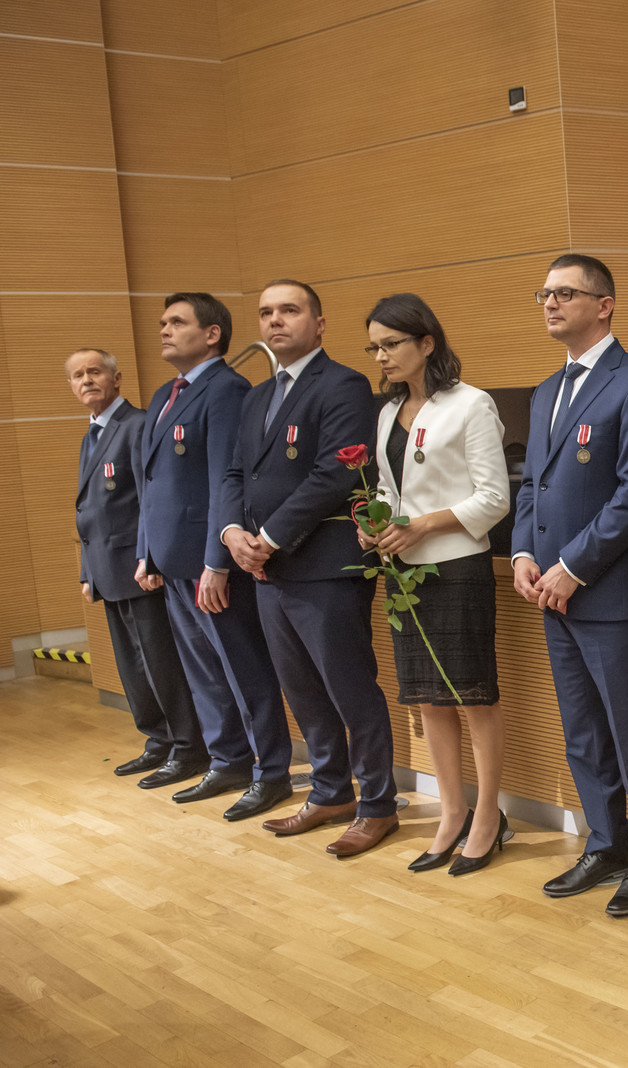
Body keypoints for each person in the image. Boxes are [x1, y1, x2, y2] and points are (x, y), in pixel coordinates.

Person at [511, 255, 628, 916]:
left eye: (565, 293)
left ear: (604, 305)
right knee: (582, 732)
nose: (550, 303)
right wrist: (524, 551)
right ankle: (605, 842)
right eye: (545, 294)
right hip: (550, 594)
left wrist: (574, 565)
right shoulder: (545, 391)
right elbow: (532, 483)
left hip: (608, 595)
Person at [219, 279, 399, 858]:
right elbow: (235, 475)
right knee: (302, 692)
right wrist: (232, 534)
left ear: (318, 324)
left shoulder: (343, 385)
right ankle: (330, 792)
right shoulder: (255, 397)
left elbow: (335, 474)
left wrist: (268, 538)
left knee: (350, 690)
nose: (275, 320)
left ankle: (378, 805)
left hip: (324, 566)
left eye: (289, 310)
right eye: (266, 312)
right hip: (267, 573)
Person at [362, 293, 511, 875]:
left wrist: (423, 524)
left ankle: (488, 816)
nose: (381, 356)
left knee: (472, 696)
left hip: (458, 567)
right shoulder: (387, 412)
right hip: (404, 571)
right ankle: (452, 813)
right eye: (374, 347)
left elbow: (494, 498)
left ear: (426, 343)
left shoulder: (471, 404)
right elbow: (387, 489)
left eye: (391, 344)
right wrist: (373, 522)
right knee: (427, 698)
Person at [136, 293, 293, 820]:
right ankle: (227, 760)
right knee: (204, 670)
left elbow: (226, 483)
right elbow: (151, 483)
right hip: (172, 560)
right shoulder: (165, 393)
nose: (164, 330)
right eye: (163, 322)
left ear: (211, 334)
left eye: (176, 322)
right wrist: (146, 551)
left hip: (211, 563)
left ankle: (271, 771)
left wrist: (216, 563)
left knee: (243, 668)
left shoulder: (227, 390)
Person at [67, 349, 203, 787]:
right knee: (133, 666)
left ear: (117, 378)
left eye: (94, 371)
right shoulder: (91, 434)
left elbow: (150, 499)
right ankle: (159, 740)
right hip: (107, 569)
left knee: (161, 662)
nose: (86, 380)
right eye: (77, 375)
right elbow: (89, 509)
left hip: (139, 567)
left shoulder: (139, 425)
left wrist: (151, 556)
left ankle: (189, 746)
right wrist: (87, 570)